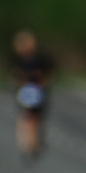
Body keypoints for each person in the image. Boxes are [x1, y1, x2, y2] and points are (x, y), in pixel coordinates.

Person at [11, 30, 53, 161]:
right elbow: (15, 76)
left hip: (37, 91)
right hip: (25, 92)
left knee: (35, 118)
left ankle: (33, 143)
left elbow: (46, 75)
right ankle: (27, 143)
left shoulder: (40, 59)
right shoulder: (19, 60)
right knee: (25, 118)